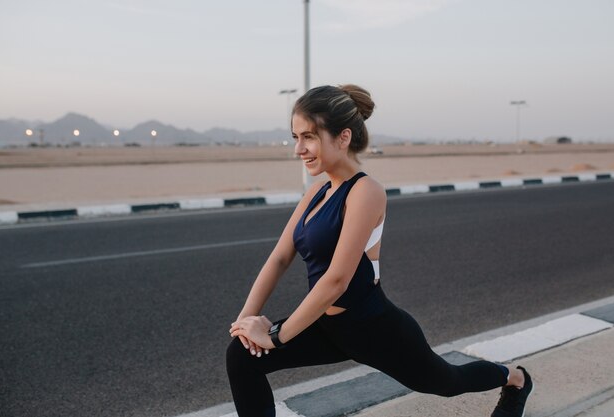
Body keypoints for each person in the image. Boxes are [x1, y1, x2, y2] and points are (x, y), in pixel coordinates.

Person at [227, 84, 533, 417]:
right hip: (326, 327)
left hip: (373, 328)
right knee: (241, 356)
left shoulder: (365, 191)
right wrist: (246, 318)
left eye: (309, 137)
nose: (299, 148)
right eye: (295, 137)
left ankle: (515, 378)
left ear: (343, 137)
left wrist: (276, 337)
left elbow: (337, 281)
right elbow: (280, 258)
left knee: (447, 382)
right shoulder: (315, 194)